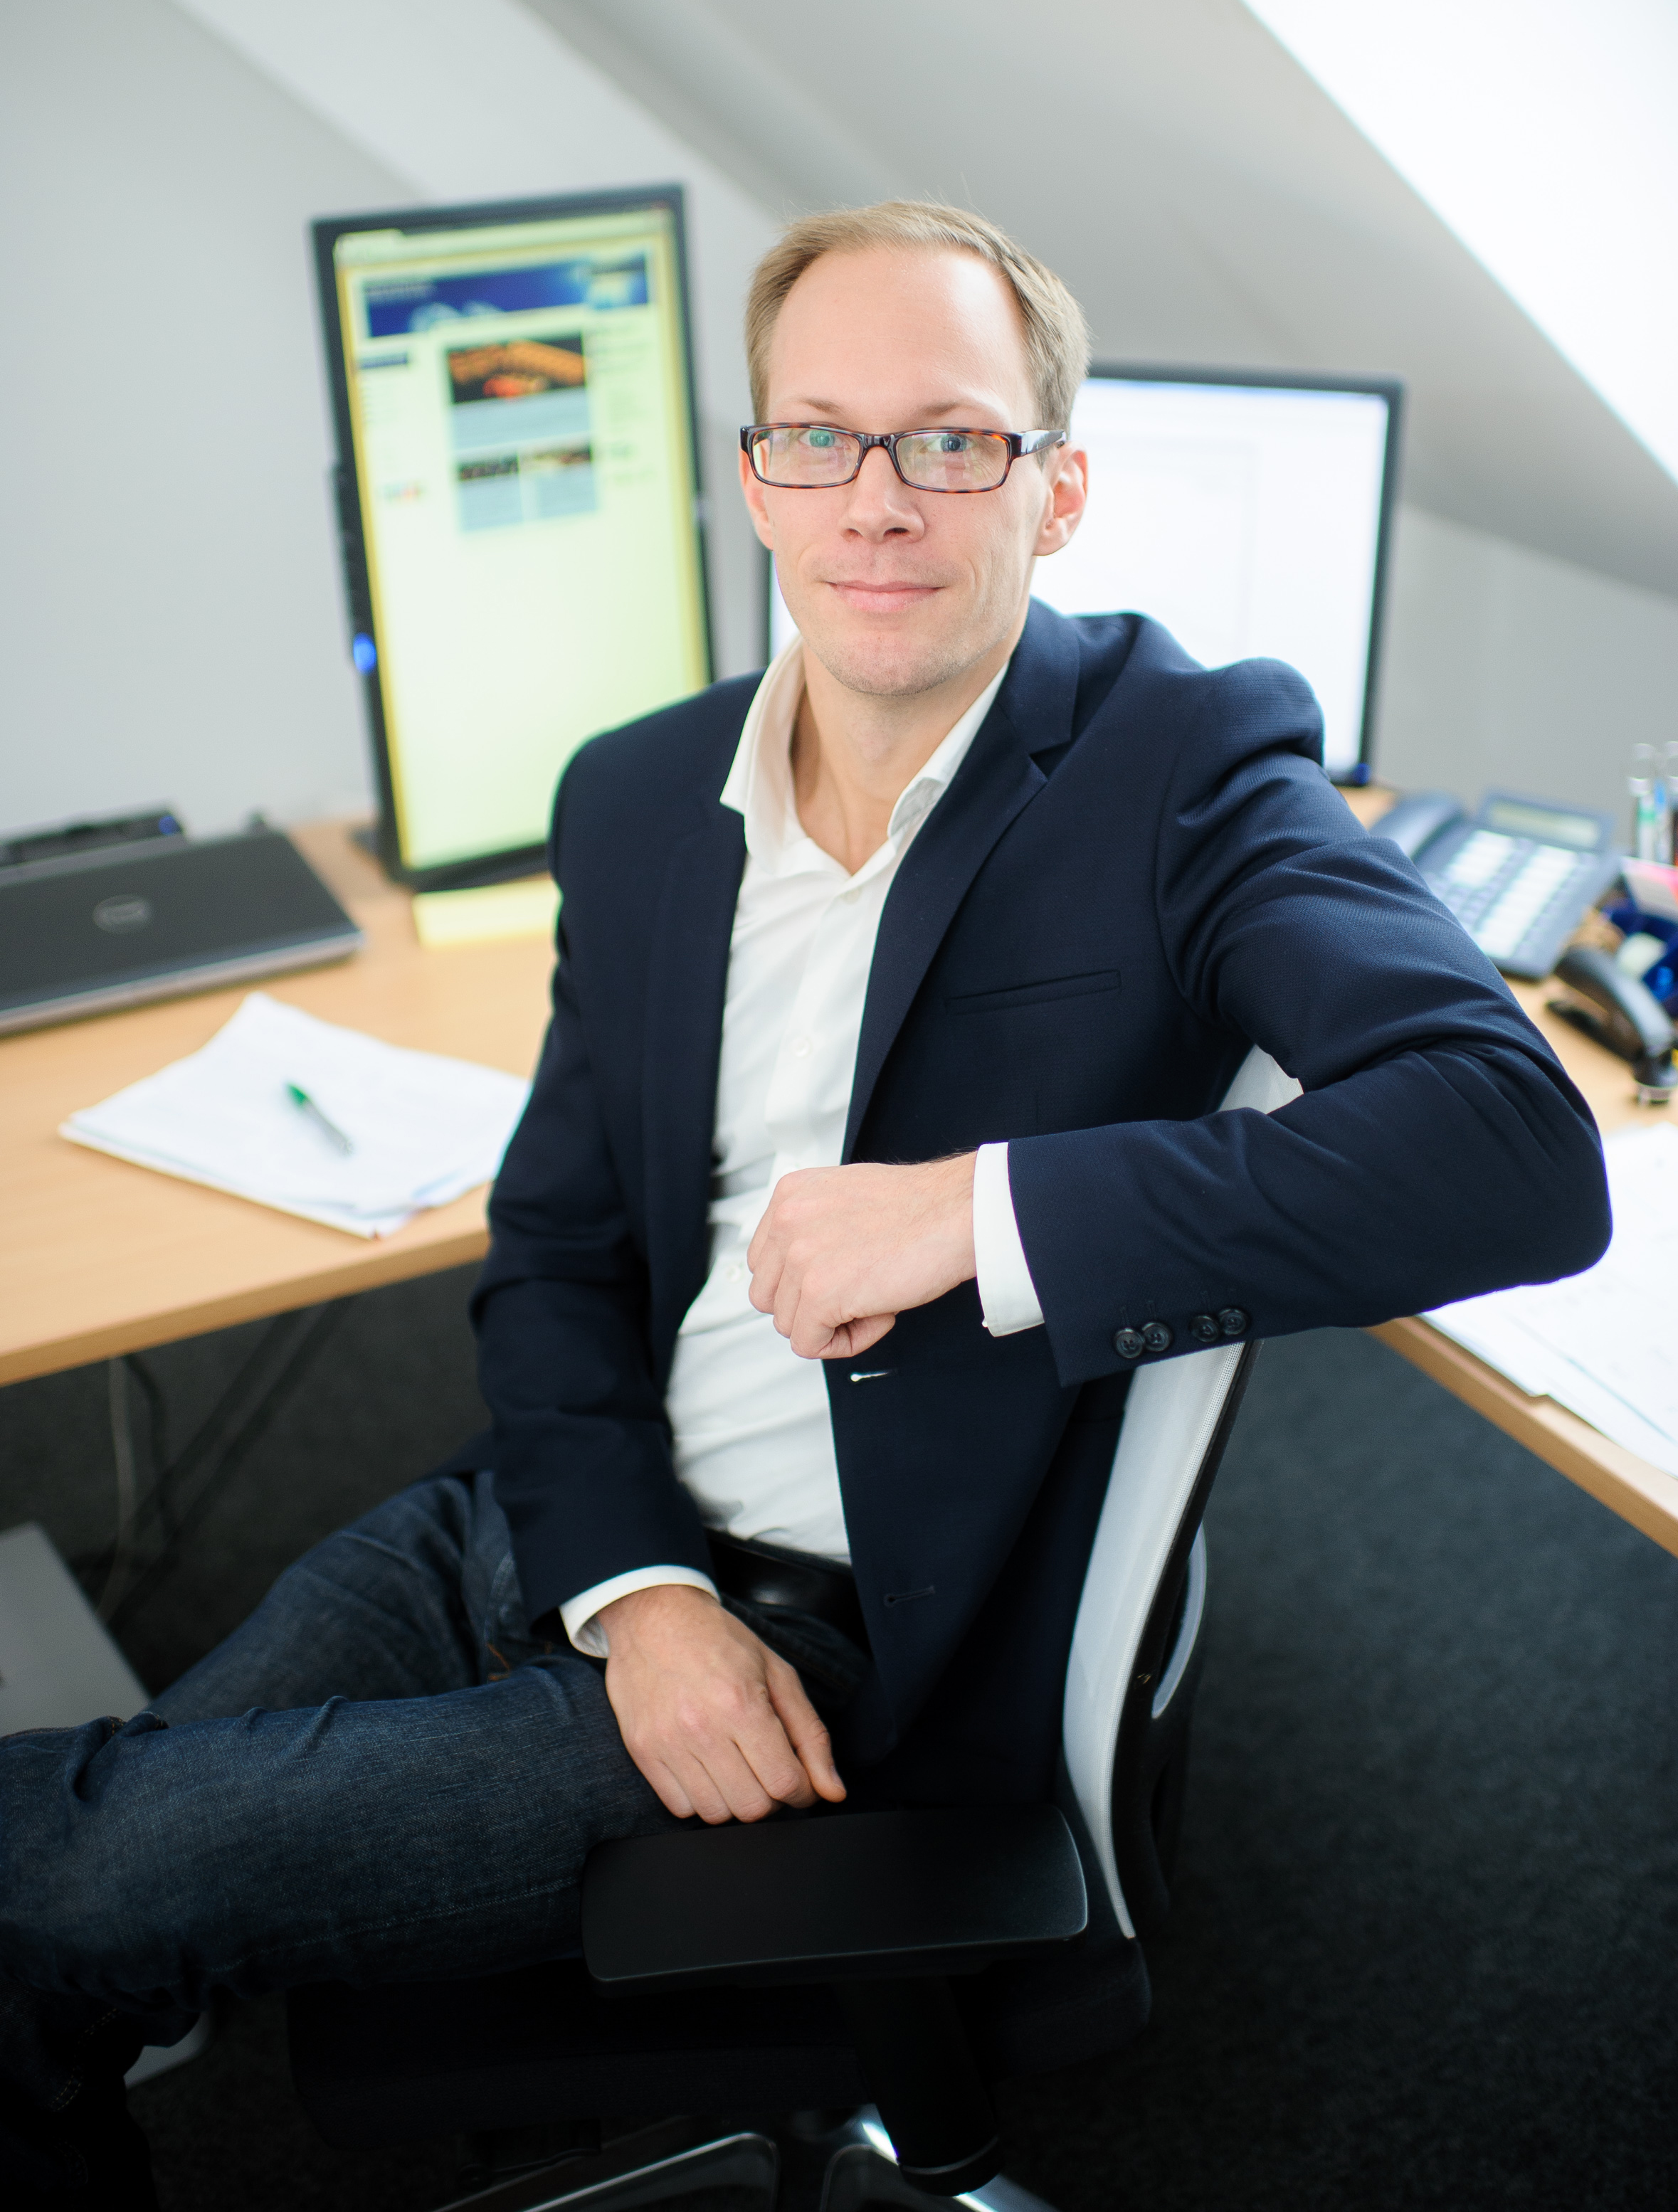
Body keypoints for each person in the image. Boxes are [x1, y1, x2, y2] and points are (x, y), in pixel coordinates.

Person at [0, 201, 1609, 2203]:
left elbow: (1511, 1145)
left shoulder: (1183, 765)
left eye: (951, 438)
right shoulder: (640, 796)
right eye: (819, 437)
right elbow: (558, 1253)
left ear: (1058, 488)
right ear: (754, 477)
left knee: (57, 1881)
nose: (878, 499)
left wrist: (974, 1215)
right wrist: (636, 1591)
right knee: (64, 1913)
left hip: (833, 1667)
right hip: (556, 1521)